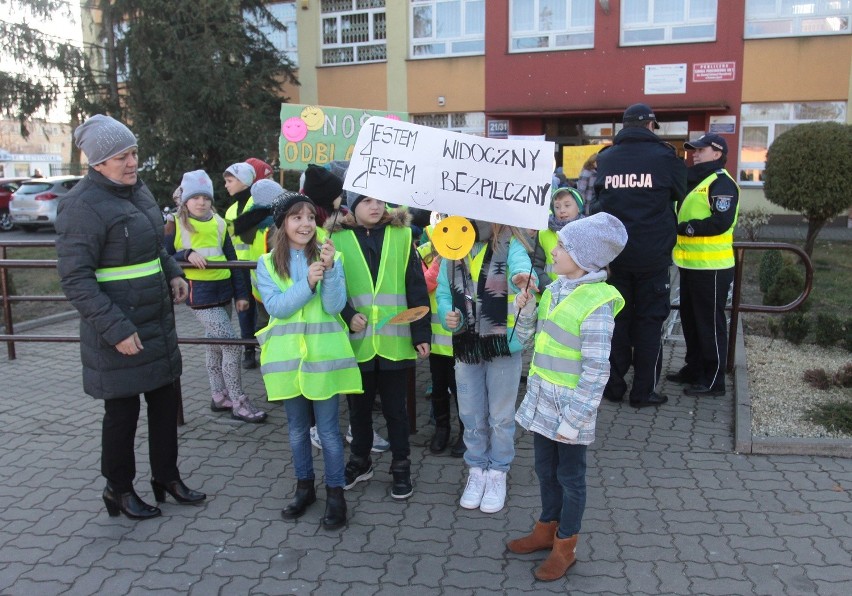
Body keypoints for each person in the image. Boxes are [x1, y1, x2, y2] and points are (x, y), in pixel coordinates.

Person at [55, 114, 205, 520]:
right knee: (122, 415)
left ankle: (167, 478)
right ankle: (118, 489)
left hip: (156, 323)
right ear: (98, 163)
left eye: (134, 152)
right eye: (121, 156)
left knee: (164, 404)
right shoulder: (81, 206)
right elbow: (76, 280)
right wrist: (116, 329)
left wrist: (173, 272)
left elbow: (154, 248)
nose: (132, 162)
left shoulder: (138, 193)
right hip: (118, 330)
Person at [508, 213, 627, 582]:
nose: (554, 251)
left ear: (585, 257)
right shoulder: (557, 288)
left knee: (570, 477)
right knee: (545, 470)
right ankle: (546, 529)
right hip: (544, 400)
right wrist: (525, 309)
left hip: (571, 410)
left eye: (562, 246)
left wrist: (574, 421)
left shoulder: (597, 303)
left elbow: (597, 371)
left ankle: (565, 547)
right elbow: (530, 338)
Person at [256, 191, 360, 530]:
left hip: (323, 359)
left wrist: (329, 273)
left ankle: (335, 494)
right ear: (283, 224)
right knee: (298, 431)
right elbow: (278, 307)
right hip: (287, 362)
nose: (305, 224)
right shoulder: (268, 262)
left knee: (329, 432)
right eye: (297, 217)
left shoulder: (334, 256)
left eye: (311, 218)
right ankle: (304, 488)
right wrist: (308, 281)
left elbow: (333, 306)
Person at [330, 192, 431, 500]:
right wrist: (348, 315)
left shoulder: (401, 235)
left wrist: (421, 333)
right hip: (357, 342)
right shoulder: (339, 239)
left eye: (379, 201)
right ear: (352, 206)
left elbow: (415, 284)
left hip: (394, 341)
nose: (375, 207)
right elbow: (333, 287)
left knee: (396, 410)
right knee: (358, 409)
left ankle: (401, 466)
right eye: (366, 201)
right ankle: (360, 461)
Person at [590, 103, 687, 408]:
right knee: (649, 322)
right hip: (652, 256)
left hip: (615, 256)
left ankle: (615, 387)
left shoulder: (606, 158)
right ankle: (643, 392)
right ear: (649, 126)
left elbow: (598, 202)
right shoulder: (665, 158)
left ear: (624, 127)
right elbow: (680, 195)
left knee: (618, 320)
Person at [437, 220, 537, 514]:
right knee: (470, 411)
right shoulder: (453, 242)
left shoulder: (511, 239)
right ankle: (476, 469)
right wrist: (447, 315)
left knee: (501, 414)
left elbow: (521, 267)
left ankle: (498, 471)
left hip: (502, 344)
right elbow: (444, 292)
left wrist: (522, 279)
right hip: (467, 344)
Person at [167, 170, 266, 423]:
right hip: (199, 296)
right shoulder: (175, 223)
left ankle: (219, 395)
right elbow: (162, 255)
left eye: (205, 197)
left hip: (223, 293)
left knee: (215, 349)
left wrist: (241, 295)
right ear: (185, 200)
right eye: (195, 197)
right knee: (232, 346)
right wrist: (185, 254)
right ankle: (238, 401)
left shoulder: (220, 222)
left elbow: (232, 260)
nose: (201, 202)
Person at [667, 133, 740, 397]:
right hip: (689, 265)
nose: (694, 153)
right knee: (691, 321)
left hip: (713, 268)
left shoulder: (721, 183)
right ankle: (694, 368)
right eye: (692, 149)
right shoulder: (692, 180)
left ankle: (713, 380)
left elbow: (720, 222)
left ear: (717, 153)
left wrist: (688, 228)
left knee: (709, 325)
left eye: (700, 149)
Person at [418, 223, 462, 455]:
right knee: (438, 387)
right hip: (437, 339)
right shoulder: (426, 251)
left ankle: (465, 432)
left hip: (461, 338)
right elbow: (422, 285)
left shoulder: (467, 255)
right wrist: (437, 264)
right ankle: (442, 429)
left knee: (461, 389)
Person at [222, 162, 259, 370]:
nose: (226, 185)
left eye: (230, 181)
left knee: (262, 309)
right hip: (239, 266)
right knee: (244, 309)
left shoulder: (258, 203)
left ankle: (262, 346)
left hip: (259, 264)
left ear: (243, 181)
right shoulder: (230, 210)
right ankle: (248, 349)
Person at [533, 187, 585, 286]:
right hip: (551, 293)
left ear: (579, 207)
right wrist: (550, 287)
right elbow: (536, 266)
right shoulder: (543, 233)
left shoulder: (588, 231)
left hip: (582, 294)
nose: (562, 210)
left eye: (567, 205)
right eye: (557, 207)